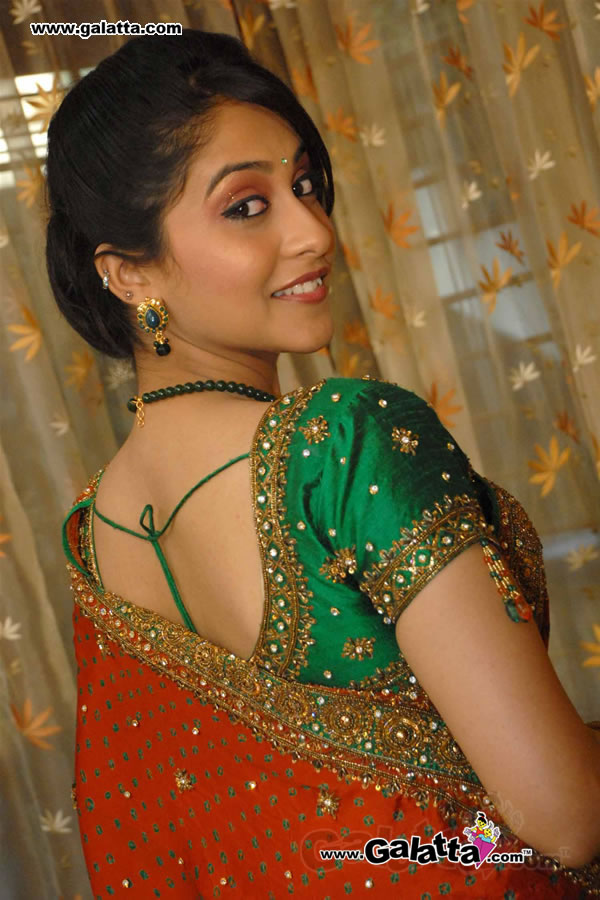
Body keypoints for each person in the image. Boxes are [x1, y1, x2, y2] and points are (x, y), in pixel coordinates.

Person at [48, 29, 600, 899]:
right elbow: (566, 818)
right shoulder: (339, 443)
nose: (314, 231)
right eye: (246, 206)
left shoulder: (94, 536)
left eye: (304, 185)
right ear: (129, 274)